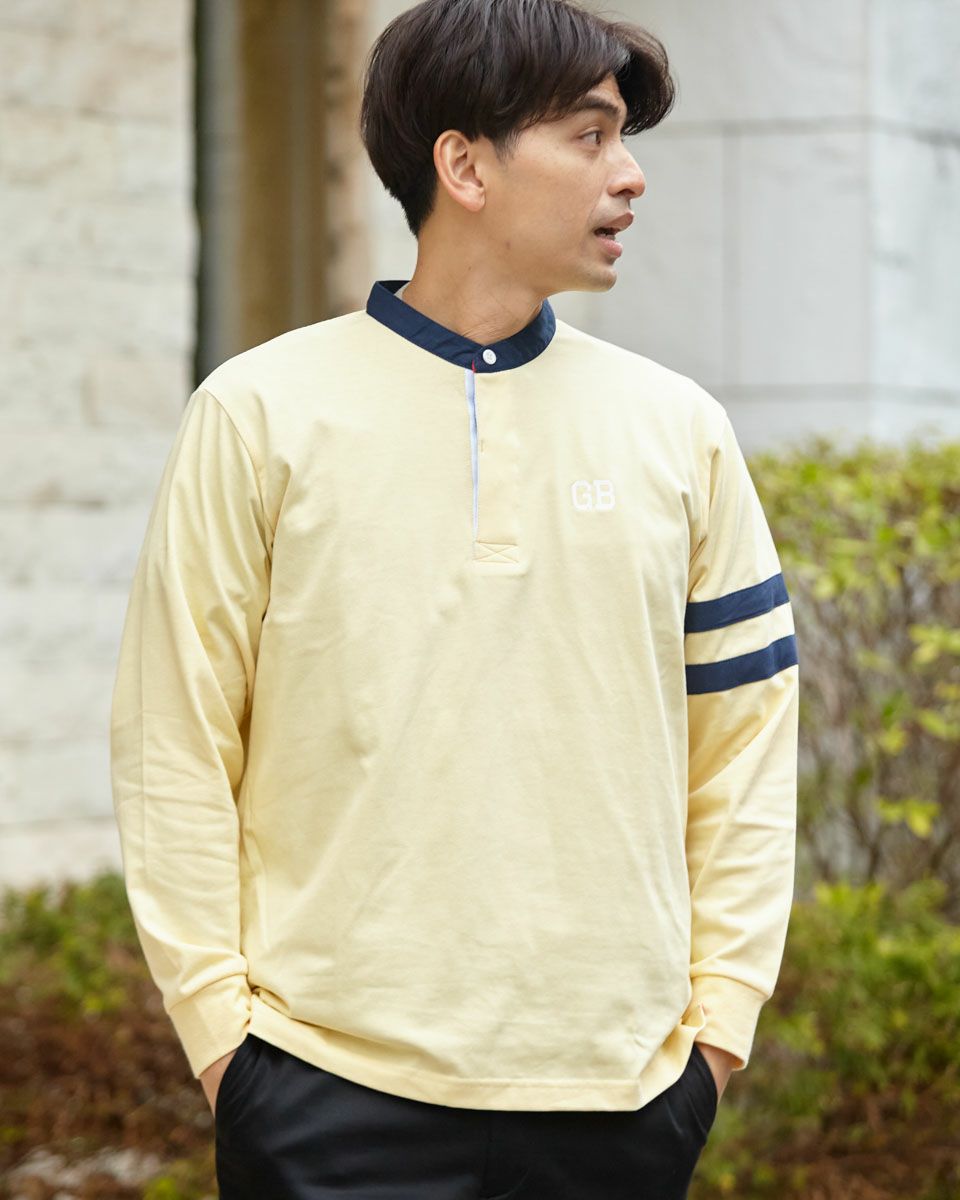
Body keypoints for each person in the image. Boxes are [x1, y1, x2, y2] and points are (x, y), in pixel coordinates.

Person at [109, 0, 800, 1195]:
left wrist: (718, 1035)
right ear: (465, 166)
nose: (630, 175)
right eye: (589, 136)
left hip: (620, 1101)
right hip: (323, 1096)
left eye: (625, 138)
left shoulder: (680, 429)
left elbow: (745, 744)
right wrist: (227, 1047)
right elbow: (173, 740)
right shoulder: (257, 413)